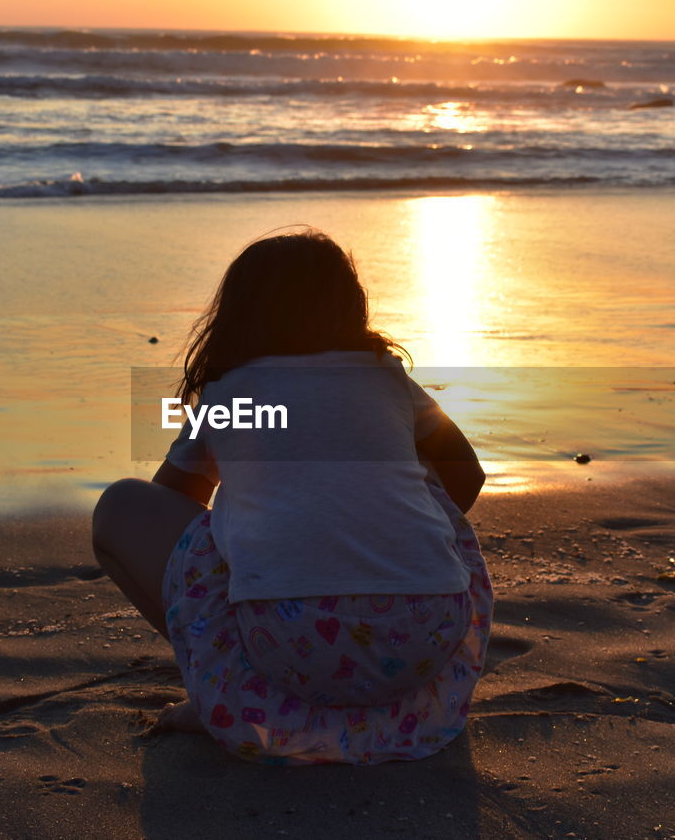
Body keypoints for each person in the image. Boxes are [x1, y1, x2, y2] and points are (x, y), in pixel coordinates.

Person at [92, 228, 491, 765]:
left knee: (126, 507)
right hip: (426, 634)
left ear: (235, 315)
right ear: (349, 307)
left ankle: (220, 693)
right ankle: (382, 699)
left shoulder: (229, 394)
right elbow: (467, 477)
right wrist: (373, 529)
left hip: (288, 644)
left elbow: (173, 508)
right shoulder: (385, 377)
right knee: (425, 485)